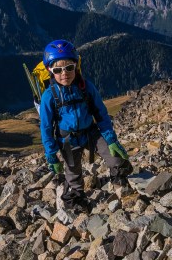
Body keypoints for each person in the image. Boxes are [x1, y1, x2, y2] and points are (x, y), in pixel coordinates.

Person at [39, 39, 132, 212]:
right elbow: (45, 128)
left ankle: (120, 184)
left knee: (118, 160)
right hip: (68, 140)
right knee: (73, 175)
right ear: (50, 71)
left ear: (76, 65)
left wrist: (111, 140)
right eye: (58, 70)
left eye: (69, 68)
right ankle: (77, 202)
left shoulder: (86, 87)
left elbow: (101, 115)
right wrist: (51, 154)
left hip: (92, 133)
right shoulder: (48, 96)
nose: (64, 73)